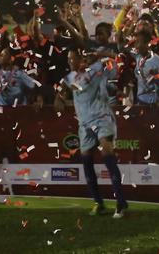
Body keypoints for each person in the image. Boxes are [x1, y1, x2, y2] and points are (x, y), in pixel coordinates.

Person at [63, 47, 128, 218]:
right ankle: (98, 202)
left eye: (72, 58)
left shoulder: (97, 69)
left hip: (101, 118)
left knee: (107, 152)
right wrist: (57, 98)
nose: (70, 62)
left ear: (80, 59)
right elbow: (64, 90)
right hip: (84, 124)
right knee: (86, 160)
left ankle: (121, 202)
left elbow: (118, 63)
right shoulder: (70, 77)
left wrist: (101, 55)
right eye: (68, 59)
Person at [132, 30, 159, 106]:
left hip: (153, 104)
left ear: (147, 44)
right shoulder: (138, 57)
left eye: (138, 42)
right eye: (135, 42)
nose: (135, 46)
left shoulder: (158, 62)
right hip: (140, 102)